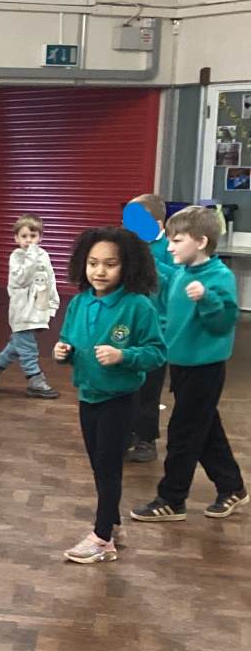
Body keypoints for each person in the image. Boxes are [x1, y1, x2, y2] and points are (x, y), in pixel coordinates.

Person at [53, 228, 166, 564]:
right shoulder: (79, 303)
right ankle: (113, 524)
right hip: (87, 396)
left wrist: (124, 356)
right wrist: (63, 352)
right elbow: (69, 341)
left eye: (110, 264)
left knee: (109, 467)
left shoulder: (138, 306)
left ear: (127, 266)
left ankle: (102, 538)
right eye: (93, 263)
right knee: (99, 467)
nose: (99, 271)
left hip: (120, 399)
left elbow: (157, 353)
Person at [130, 205, 247, 523]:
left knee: (183, 432)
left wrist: (207, 299)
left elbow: (224, 322)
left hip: (205, 368)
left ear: (201, 241)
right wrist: (144, 262)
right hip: (181, 365)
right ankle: (232, 487)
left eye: (177, 240)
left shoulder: (219, 277)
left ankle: (172, 499)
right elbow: (167, 286)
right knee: (205, 429)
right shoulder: (183, 272)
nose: (170, 247)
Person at [0, 214, 60, 399]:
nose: (29, 241)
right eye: (24, 236)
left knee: (17, 346)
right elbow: (22, 279)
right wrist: (31, 256)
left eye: (33, 236)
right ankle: (35, 380)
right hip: (22, 311)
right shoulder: (16, 257)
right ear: (16, 238)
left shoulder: (44, 255)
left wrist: (52, 304)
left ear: (40, 237)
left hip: (38, 310)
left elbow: (50, 280)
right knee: (28, 347)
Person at [124, 193, 174, 463]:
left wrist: (152, 263)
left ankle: (146, 438)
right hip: (129, 329)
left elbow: (176, 282)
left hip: (156, 332)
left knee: (149, 390)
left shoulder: (169, 249)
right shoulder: (129, 248)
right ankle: (127, 432)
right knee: (127, 385)